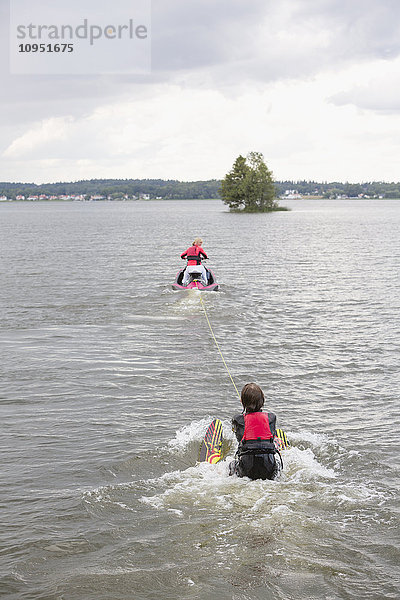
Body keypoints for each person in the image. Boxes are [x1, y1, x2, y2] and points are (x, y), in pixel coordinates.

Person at [229, 383, 281, 480]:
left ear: (242, 402)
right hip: (268, 469)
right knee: (277, 464)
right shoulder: (271, 418)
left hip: (247, 470)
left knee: (232, 464)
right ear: (262, 400)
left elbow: (240, 439)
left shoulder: (238, 419)